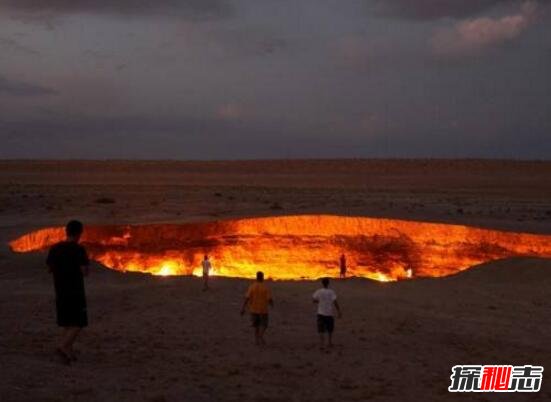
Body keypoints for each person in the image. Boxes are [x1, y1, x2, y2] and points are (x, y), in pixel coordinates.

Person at [46, 220, 90, 364]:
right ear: (79, 233)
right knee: (78, 323)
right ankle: (63, 346)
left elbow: (49, 269)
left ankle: (69, 352)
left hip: (60, 289)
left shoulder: (55, 248)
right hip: (75, 290)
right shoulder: (79, 249)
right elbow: (84, 271)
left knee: (67, 322)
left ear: (66, 231)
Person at [240, 271, 273, 346]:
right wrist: (271, 304)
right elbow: (269, 298)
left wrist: (243, 308)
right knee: (264, 325)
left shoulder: (252, 286)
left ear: (256, 277)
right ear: (262, 278)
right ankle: (260, 336)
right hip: (263, 310)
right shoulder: (265, 287)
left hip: (253, 309)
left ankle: (256, 341)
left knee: (256, 326)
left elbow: (247, 298)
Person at [312, 277, 341, 350]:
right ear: (328, 283)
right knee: (330, 329)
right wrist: (338, 311)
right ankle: (329, 342)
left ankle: (322, 344)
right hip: (329, 313)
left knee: (321, 329)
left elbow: (314, 300)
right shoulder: (331, 292)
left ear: (322, 283)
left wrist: (319, 302)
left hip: (321, 313)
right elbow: (335, 302)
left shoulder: (319, 291)